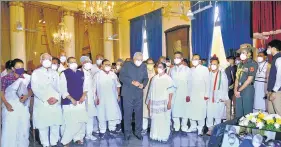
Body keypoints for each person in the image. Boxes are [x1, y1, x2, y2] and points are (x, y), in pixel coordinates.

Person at [31, 53, 63, 147]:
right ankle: (45, 144)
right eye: (45, 59)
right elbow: (35, 88)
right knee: (43, 125)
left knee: (55, 124)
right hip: (42, 103)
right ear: (40, 61)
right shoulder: (36, 73)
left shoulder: (55, 73)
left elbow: (59, 87)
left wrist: (56, 98)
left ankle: (54, 143)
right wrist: (46, 98)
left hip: (55, 103)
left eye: (49, 59)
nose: (47, 61)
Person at [1, 58, 32, 147]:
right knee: (9, 128)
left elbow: (31, 90)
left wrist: (26, 96)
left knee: (23, 128)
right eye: (18, 67)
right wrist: (6, 104)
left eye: (22, 66)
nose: (20, 68)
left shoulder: (27, 78)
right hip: (10, 106)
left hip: (22, 106)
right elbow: (2, 92)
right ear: (13, 68)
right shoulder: (5, 78)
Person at [119, 52, 149, 140]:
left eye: (141, 60)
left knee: (139, 114)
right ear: (133, 58)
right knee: (127, 114)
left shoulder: (143, 66)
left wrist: (143, 85)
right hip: (128, 93)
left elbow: (146, 78)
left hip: (138, 94)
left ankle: (138, 132)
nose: (139, 61)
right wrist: (131, 82)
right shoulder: (127, 65)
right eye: (138, 59)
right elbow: (121, 77)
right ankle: (127, 133)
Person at [60, 57, 89, 146]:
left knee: (80, 121)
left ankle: (78, 138)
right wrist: (71, 99)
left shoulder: (81, 73)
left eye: (74, 61)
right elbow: (62, 88)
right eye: (71, 62)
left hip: (80, 101)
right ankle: (66, 140)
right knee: (70, 122)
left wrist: (84, 95)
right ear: (67, 64)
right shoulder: (64, 73)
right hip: (68, 101)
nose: (73, 63)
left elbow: (85, 86)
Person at [93, 59, 122, 138]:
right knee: (101, 114)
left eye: (109, 64)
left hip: (112, 98)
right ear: (102, 66)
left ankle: (112, 129)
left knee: (112, 113)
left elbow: (118, 85)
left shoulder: (113, 75)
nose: (107, 66)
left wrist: (118, 95)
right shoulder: (97, 75)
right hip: (101, 99)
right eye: (106, 64)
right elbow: (94, 88)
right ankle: (102, 130)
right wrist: (95, 98)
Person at [147, 62, 175, 142]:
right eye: (157, 67)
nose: (158, 68)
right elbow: (150, 91)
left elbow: (171, 91)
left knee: (164, 119)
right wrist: (149, 102)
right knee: (155, 119)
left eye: (160, 67)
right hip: (154, 102)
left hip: (164, 103)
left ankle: (163, 136)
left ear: (164, 68)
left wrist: (169, 102)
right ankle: (154, 135)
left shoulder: (168, 78)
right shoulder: (154, 78)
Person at [187, 54, 210, 135]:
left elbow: (207, 83)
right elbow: (188, 83)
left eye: (196, 59)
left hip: (201, 94)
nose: (194, 60)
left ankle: (200, 128)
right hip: (192, 94)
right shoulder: (190, 69)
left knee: (200, 112)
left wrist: (207, 94)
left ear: (200, 61)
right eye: (193, 59)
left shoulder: (205, 69)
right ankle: (193, 126)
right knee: (191, 111)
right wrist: (188, 94)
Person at [206, 55, 229, 135]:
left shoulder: (222, 74)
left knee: (218, 114)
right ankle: (209, 128)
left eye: (215, 64)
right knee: (209, 113)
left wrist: (224, 97)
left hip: (219, 97)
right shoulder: (208, 74)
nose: (213, 66)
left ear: (218, 65)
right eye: (212, 64)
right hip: (209, 97)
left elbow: (225, 86)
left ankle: (216, 129)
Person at [234, 44, 258, 118]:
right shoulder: (240, 64)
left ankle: (247, 129)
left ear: (249, 53)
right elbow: (237, 78)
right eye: (241, 53)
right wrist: (235, 89)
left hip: (247, 89)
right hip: (239, 88)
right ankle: (239, 128)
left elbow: (249, 80)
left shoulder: (252, 64)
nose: (241, 54)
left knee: (247, 113)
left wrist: (239, 90)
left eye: (244, 53)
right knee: (238, 111)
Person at [170, 51, 191, 132]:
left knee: (184, 110)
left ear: (182, 59)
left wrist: (188, 94)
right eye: (175, 58)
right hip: (174, 93)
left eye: (178, 57)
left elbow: (190, 82)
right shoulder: (172, 70)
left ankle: (184, 125)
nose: (176, 59)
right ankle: (176, 125)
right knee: (175, 110)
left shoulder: (187, 69)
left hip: (184, 93)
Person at [80, 56, 98, 141]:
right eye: (86, 61)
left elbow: (93, 86)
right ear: (82, 63)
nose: (88, 63)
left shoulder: (90, 72)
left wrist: (95, 97)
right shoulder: (79, 73)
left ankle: (89, 134)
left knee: (90, 116)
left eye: (89, 61)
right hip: (83, 98)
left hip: (91, 97)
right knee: (83, 116)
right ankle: (81, 134)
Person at [266, 40, 281, 115]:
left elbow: (280, 77)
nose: (267, 49)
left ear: (274, 48)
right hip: (271, 91)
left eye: (269, 47)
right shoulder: (274, 59)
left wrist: (274, 91)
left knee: (279, 114)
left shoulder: (279, 59)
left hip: (277, 92)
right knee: (271, 115)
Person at [142, 58, 156, 135]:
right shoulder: (143, 72)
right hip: (144, 94)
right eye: (148, 63)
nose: (150, 65)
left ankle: (153, 128)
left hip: (154, 95)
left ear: (154, 64)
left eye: (152, 63)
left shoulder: (157, 72)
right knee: (144, 113)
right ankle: (144, 128)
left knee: (153, 113)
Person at [225, 56, 237, 120]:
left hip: (235, 88)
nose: (230, 60)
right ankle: (228, 119)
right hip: (228, 89)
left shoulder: (237, 68)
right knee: (228, 105)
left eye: (232, 59)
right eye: (229, 59)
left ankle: (235, 119)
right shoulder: (227, 69)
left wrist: (235, 86)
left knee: (235, 105)